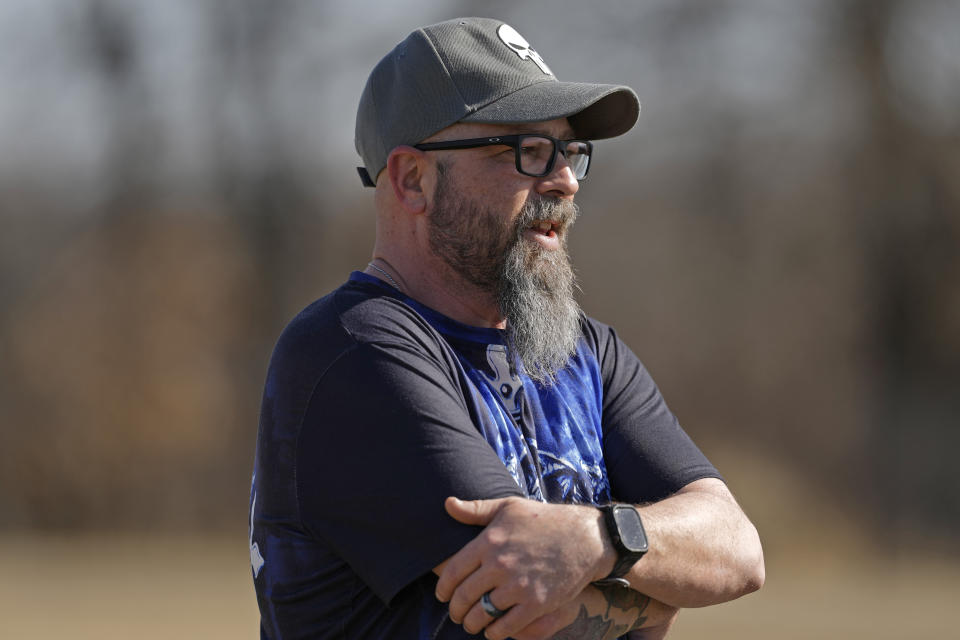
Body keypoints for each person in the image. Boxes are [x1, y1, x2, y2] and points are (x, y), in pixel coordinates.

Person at [250, 16, 764, 640]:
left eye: (569, 150)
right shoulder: (354, 352)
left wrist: (601, 540)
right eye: (523, 150)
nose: (565, 180)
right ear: (414, 178)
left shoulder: (585, 354)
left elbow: (737, 548)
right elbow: (535, 618)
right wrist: (658, 588)